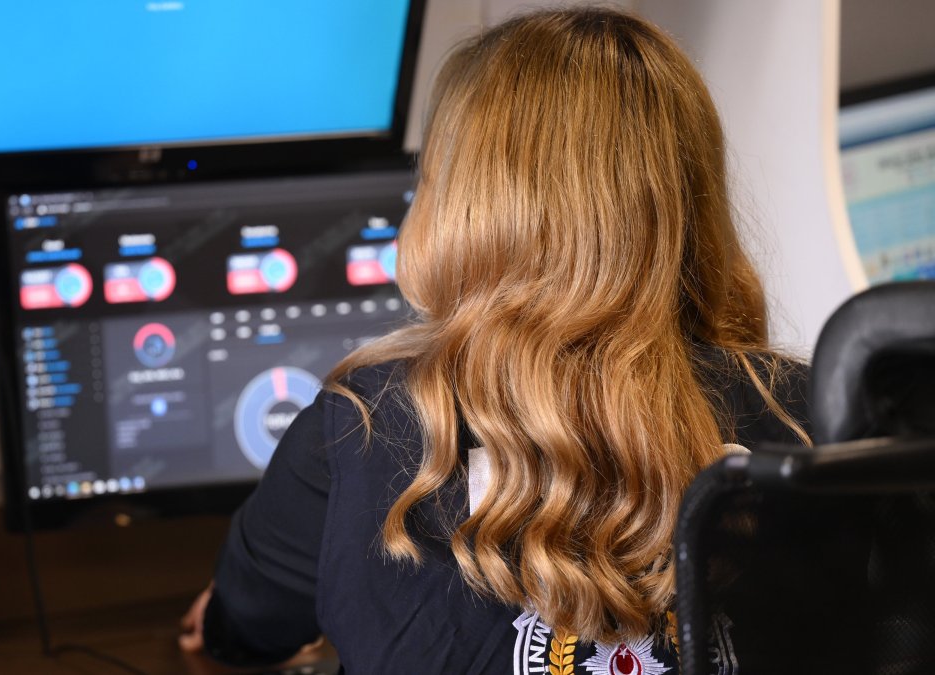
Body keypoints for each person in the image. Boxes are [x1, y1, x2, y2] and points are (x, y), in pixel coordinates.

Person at [180, 7, 810, 673]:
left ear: (459, 208)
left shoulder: (364, 426)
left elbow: (251, 620)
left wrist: (219, 629)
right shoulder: (800, 412)